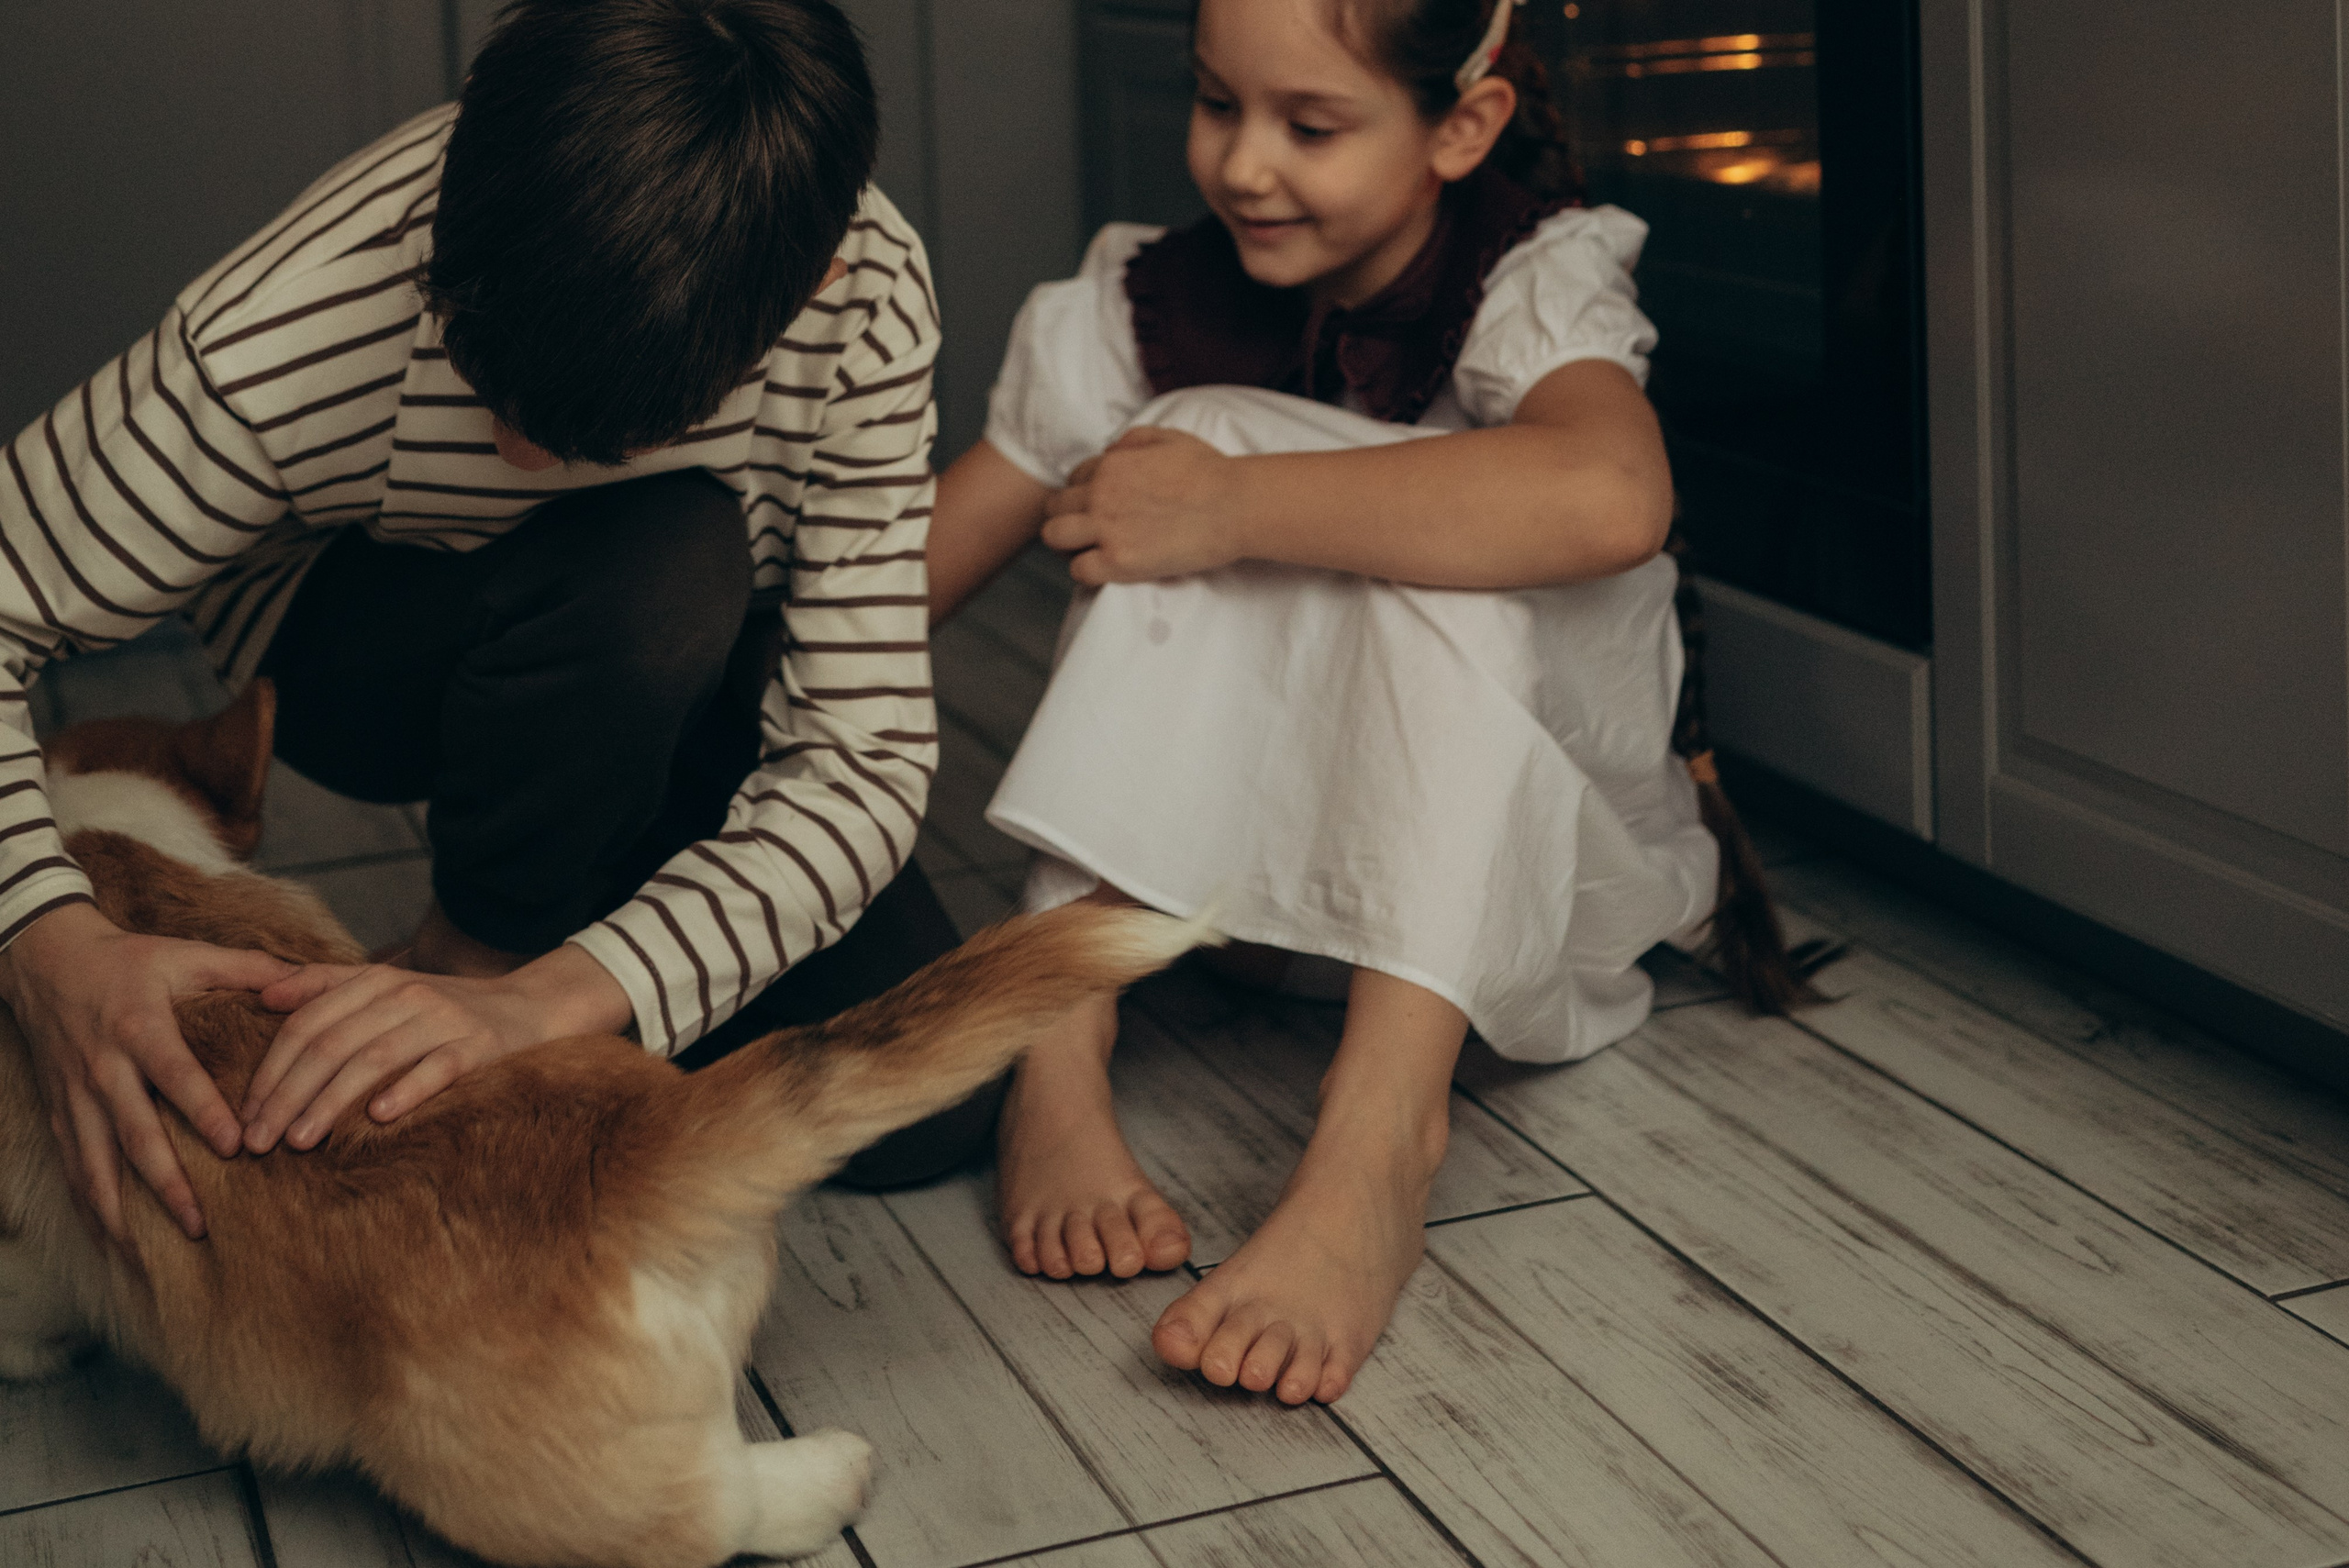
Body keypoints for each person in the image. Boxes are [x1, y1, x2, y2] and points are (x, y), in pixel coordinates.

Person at [926, 0, 1812, 1408]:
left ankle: (1377, 1143)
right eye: (1219, 105)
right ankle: (1057, 1029)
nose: (1245, 168)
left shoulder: (1530, 280)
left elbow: (1614, 498)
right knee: (1184, 439)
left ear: (1459, 127)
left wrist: (1228, 505)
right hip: (1235, 911)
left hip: (1502, 913)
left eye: (1313, 125)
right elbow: (909, 582)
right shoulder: (1144, 302)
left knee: (1245, 459)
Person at [0, 0, 991, 1248]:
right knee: (666, 558)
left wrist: (565, 998)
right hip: (368, 644)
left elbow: (859, 760)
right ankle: (470, 943)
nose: (520, 446)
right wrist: (44, 939)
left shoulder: (867, 300)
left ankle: (525, 948)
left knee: (924, 1114)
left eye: (594, 428)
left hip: (674, 665)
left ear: (813, 286)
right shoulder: (284, 327)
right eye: (483, 371)